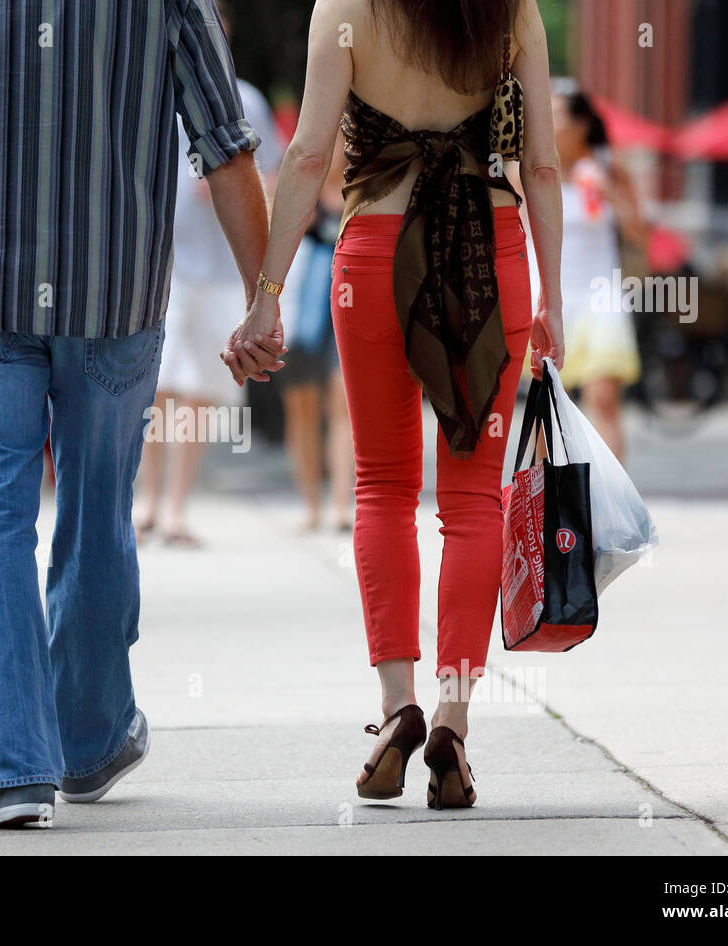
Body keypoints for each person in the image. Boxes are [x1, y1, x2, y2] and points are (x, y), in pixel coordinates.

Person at [0, 0, 277, 829]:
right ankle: (89, 740)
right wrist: (265, 297)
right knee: (96, 510)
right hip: (116, 301)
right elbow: (225, 146)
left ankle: (15, 769)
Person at [223, 0, 563, 809]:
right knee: (476, 497)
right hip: (494, 255)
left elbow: (307, 156)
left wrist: (266, 296)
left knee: (380, 483)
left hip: (373, 253)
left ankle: (396, 708)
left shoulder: (344, 8)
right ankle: (452, 717)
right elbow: (542, 166)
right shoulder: (512, 10)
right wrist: (552, 296)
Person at [135, 0, 285, 547]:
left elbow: (273, 179)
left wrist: (232, 188)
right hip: (164, 267)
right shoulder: (153, 89)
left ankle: (175, 507)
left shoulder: (248, 101)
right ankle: (147, 500)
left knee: (198, 390)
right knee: (155, 387)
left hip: (223, 269)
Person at [548, 83, 642, 460]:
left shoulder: (607, 168)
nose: (548, 123)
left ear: (581, 123)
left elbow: (640, 235)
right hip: (549, 296)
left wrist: (613, 197)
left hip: (600, 294)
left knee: (603, 397)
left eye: (556, 115)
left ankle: (609, 499)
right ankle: (550, 503)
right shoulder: (529, 170)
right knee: (551, 405)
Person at [276, 131, 354, 532]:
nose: (338, 146)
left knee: (344, 406)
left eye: (344, 138)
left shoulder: (364, 189)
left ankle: (341, 503)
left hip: (348, 306)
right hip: (301, 308)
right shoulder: (299, 185)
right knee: (301, 406)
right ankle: (310, 504)